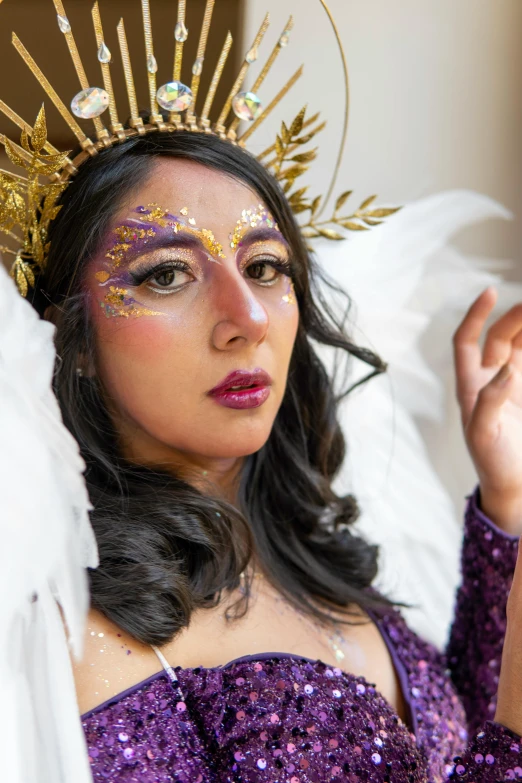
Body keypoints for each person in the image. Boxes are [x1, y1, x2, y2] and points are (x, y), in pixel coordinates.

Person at [1, 1, 522, 781]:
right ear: (70, 340)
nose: (244, 317)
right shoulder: (80, 632)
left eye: (266, 267)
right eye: (167, 274)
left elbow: (454, 748)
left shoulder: (321, 565)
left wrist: (505, 499)